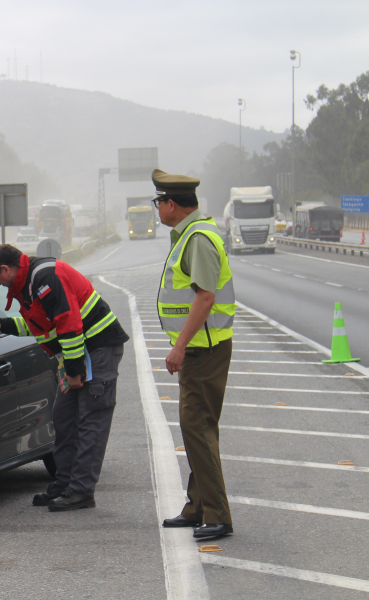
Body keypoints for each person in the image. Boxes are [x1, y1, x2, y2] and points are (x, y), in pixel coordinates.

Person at [0, 244, 128, 511]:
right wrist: (1, 324)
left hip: (98, 349)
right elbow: (39, 326)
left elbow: (69, 323)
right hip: (79, 351)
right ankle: (65, 483)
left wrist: (74, 371)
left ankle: (82, 491)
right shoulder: (28, 284)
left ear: (6, 269)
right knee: (64, 418)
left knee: (91, 422)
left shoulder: (45, 277)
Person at [151, 168, 236, 539]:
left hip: (204, 349)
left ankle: (217, 514)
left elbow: (205, 297)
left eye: (158, 201)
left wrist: (179, 346)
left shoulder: (198, 238)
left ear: (172, 203)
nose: (157, 208)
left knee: (198, 428)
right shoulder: (190, 234)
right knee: (197, 428)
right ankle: (198, 506)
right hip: (200, 349)